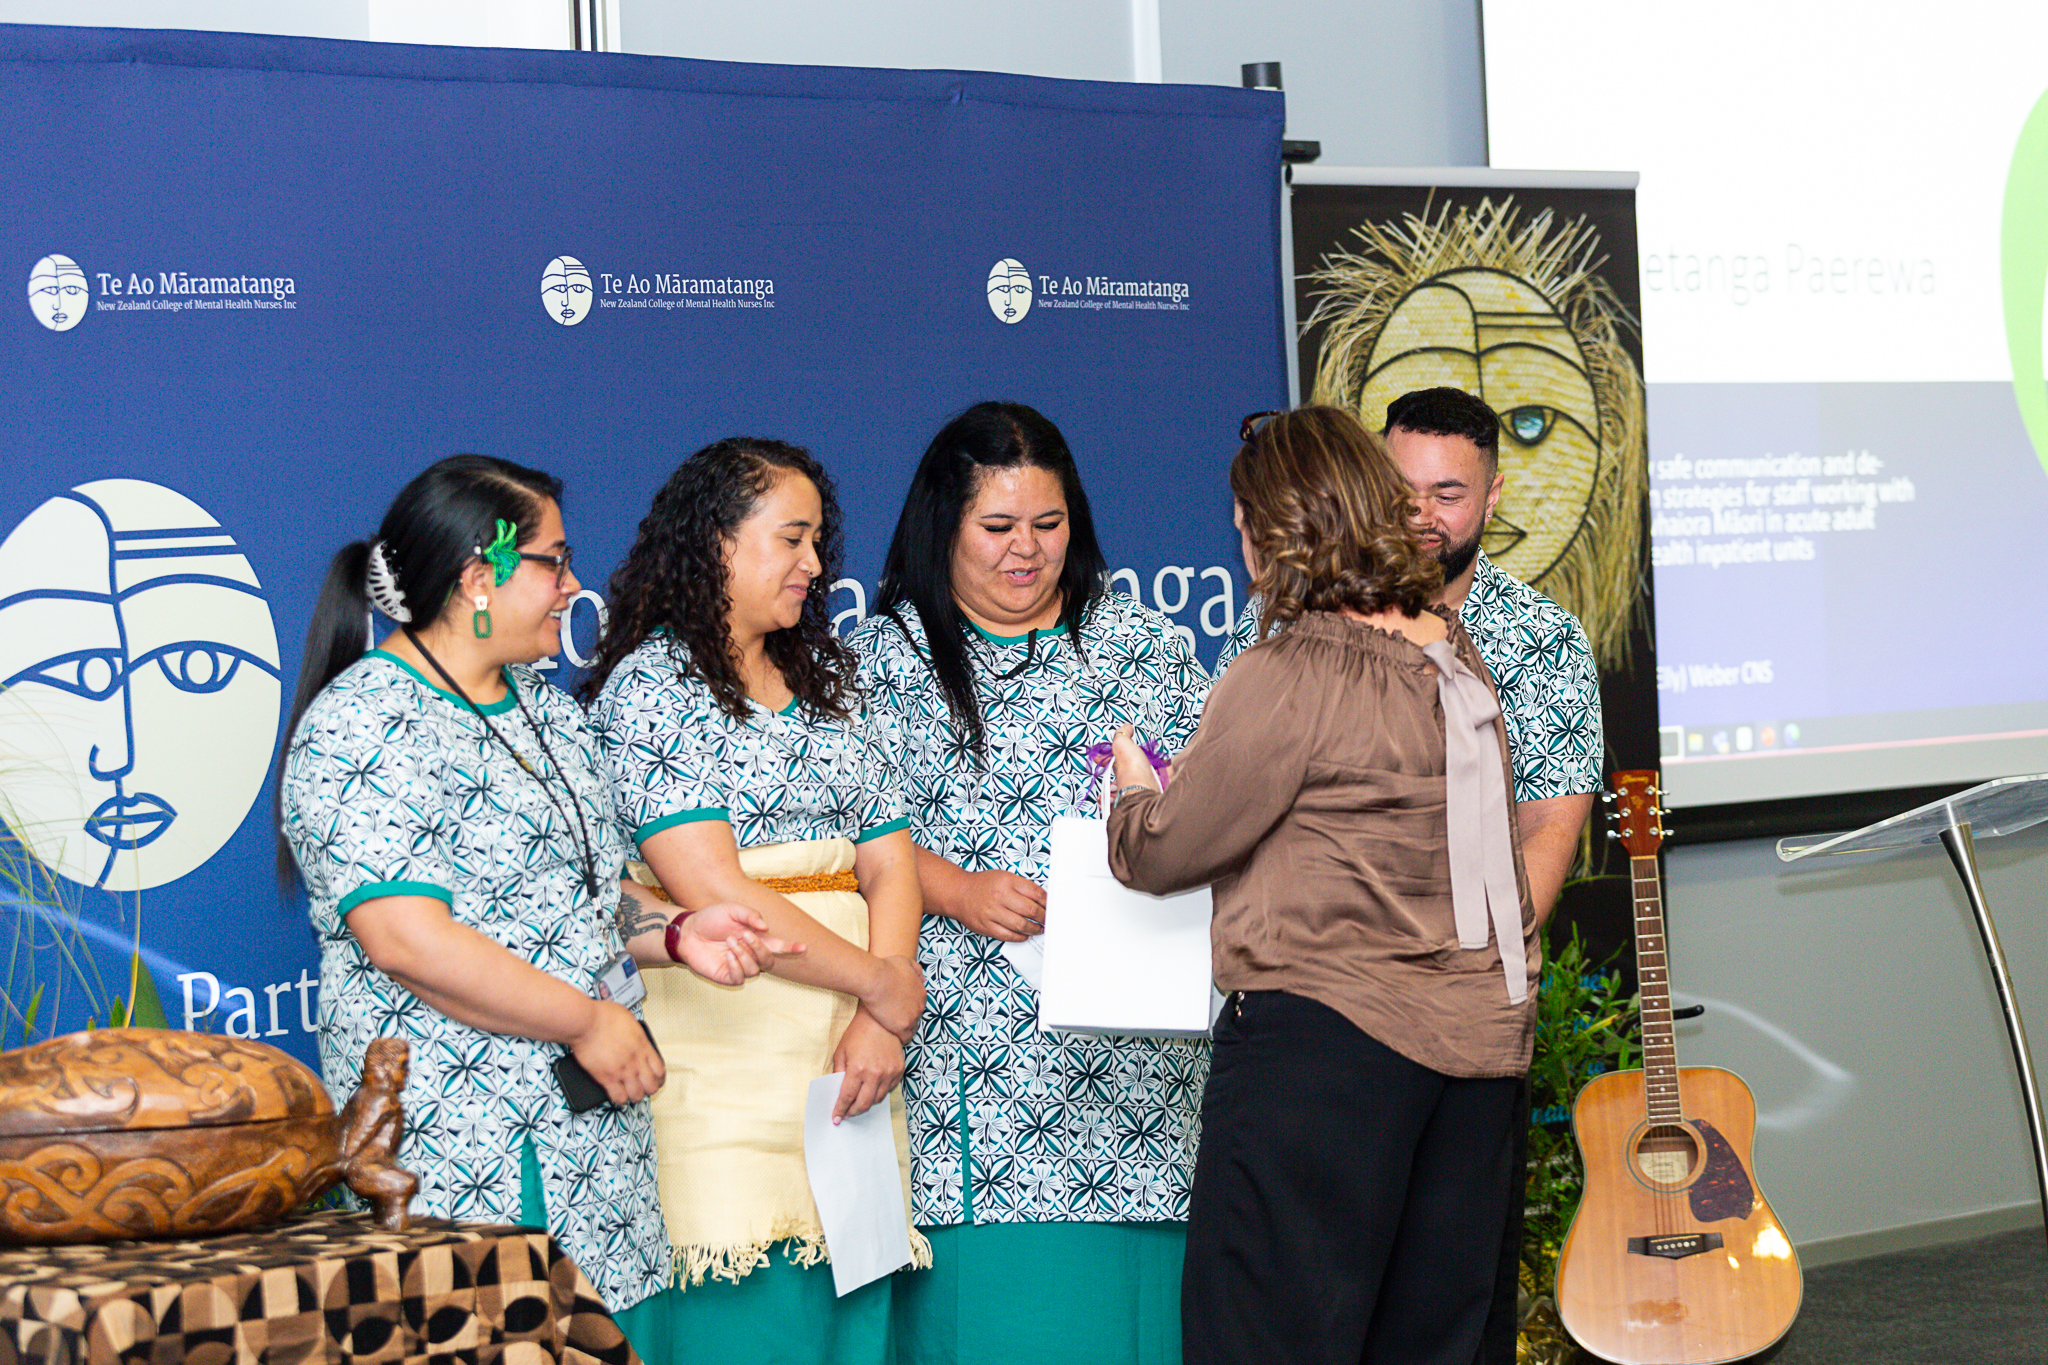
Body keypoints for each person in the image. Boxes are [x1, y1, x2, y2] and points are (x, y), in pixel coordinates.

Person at [277, 454, 784, 1335]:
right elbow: (407, 938)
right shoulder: (364, 722)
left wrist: (679, 932)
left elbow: (589, 896)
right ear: (479, 575)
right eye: (554, 561)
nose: (573, 586)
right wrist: (587, 1021)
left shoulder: (549, 715)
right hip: (464, 1155)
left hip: (601, 1156)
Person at [1106, 405, 1538, 1365]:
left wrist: (1134, 792)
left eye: (1244, 524)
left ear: (1281, 529)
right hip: (1476, 1061)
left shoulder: (1293, 669)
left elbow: (1166, 850)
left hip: (1323, 1057)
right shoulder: (1456, 657)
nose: (1241, 547)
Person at [1223, 385, 1603, 1365]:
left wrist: (1465, 972)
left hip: (1468, 1024)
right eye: (1403, 490)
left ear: (1494, 494)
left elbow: (1547, 832)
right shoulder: (1287, 625)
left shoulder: (1541, 640)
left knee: (1439, 1317)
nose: (1422, 516)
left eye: (1449, 493)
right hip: (1332, 1024)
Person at [849, 401, 1210, 1365]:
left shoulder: (1144, 645)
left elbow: (1216, 807)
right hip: (978, 1056)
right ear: (943, 524)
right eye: (998, 526)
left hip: (1144, 1060)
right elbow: (846, 835)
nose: (1027, 550)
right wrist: (957, 889)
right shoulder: (883, 661)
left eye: (1048, 524)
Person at [581, 437, 929, 1365]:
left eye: (818, 541)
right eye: (791, 538)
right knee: (743, 1327)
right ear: (717, 544)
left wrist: (880, 1017)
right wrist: (884, 984)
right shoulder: (653, 686)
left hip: (854, 1058)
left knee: (851, 1322)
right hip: (722, 1067)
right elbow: (713, 887)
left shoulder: (834, 678)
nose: (814, 563)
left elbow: (890, 865)